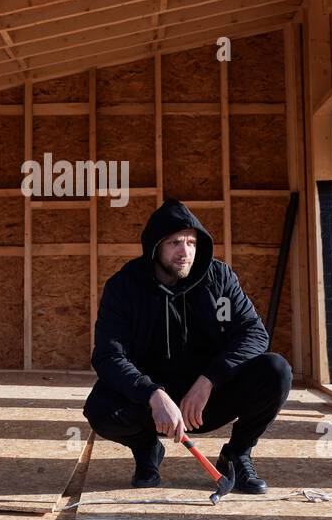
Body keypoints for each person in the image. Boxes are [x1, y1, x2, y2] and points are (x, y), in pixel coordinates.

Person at [85, 198, 293, 491]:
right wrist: (152, 394)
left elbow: (253, 333)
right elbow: (108, 355)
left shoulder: (219, 279)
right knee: (100, 407)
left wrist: (209, 379)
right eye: (174, 243)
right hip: (154, 408)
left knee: (276, 370)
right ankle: (147, 449)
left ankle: (237, 454)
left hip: (208, 398)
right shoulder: (124, 287)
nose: (185, 252)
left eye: (191, 242)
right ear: (155, 246)